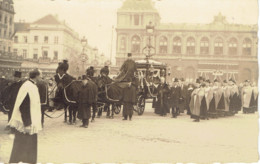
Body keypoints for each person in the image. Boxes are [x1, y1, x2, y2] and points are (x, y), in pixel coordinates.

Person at [8, 69, 42, 163]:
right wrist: (27, 123)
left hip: (31, 122)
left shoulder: (32, 85)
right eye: (40, 75)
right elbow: (24, 106)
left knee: (28, 147)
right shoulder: (28, 86)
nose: (41, 77)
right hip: (26, 123)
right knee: (22, 146)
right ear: (36, 75)